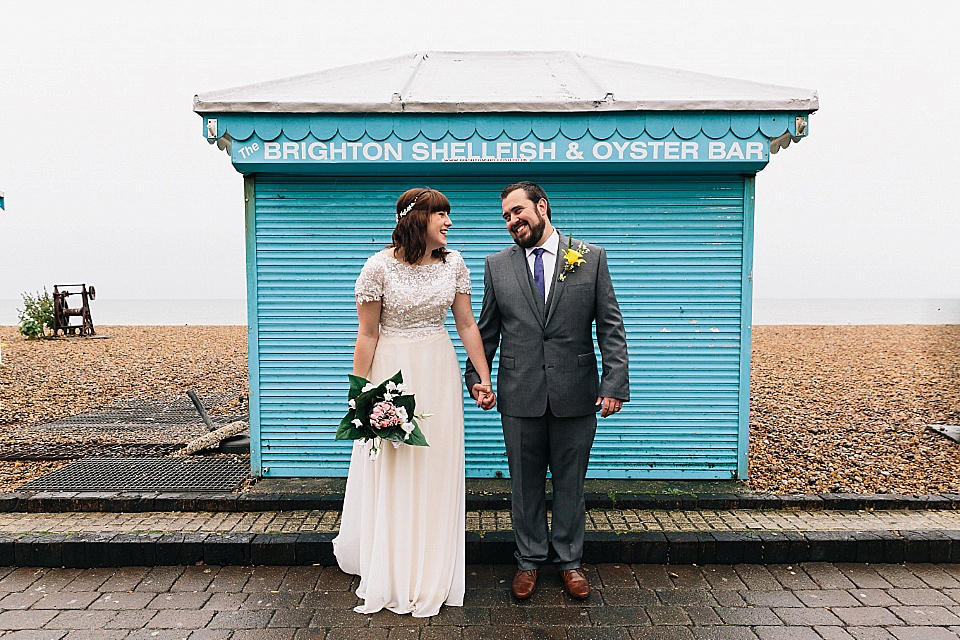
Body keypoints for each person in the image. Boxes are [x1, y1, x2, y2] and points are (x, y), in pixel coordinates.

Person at [333, 187, 495, 617]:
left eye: (449, 215)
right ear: (415, 219)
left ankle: (431, 569)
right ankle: (393, 567)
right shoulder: (377, 267)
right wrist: (359, 394)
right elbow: (367, 334)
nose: (449, 222)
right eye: (441, 215)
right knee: (396, 466)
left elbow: (466, 324)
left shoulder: (455, 264)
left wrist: (482, 375)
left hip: (438, 369)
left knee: (436, 465)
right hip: (392, 373)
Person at [465, 181, 629, 600]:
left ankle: (570, 562)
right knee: (524, 483)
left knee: (571, 483)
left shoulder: (591, 258)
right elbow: (485, 333)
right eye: (505, 216)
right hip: (519, 393)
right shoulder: (496, 265)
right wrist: (477, 380)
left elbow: (610, 326)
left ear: (542, 207)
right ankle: (529, 561)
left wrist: (614, 383)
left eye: (518, 211)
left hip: (576, 391)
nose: (512, 221)